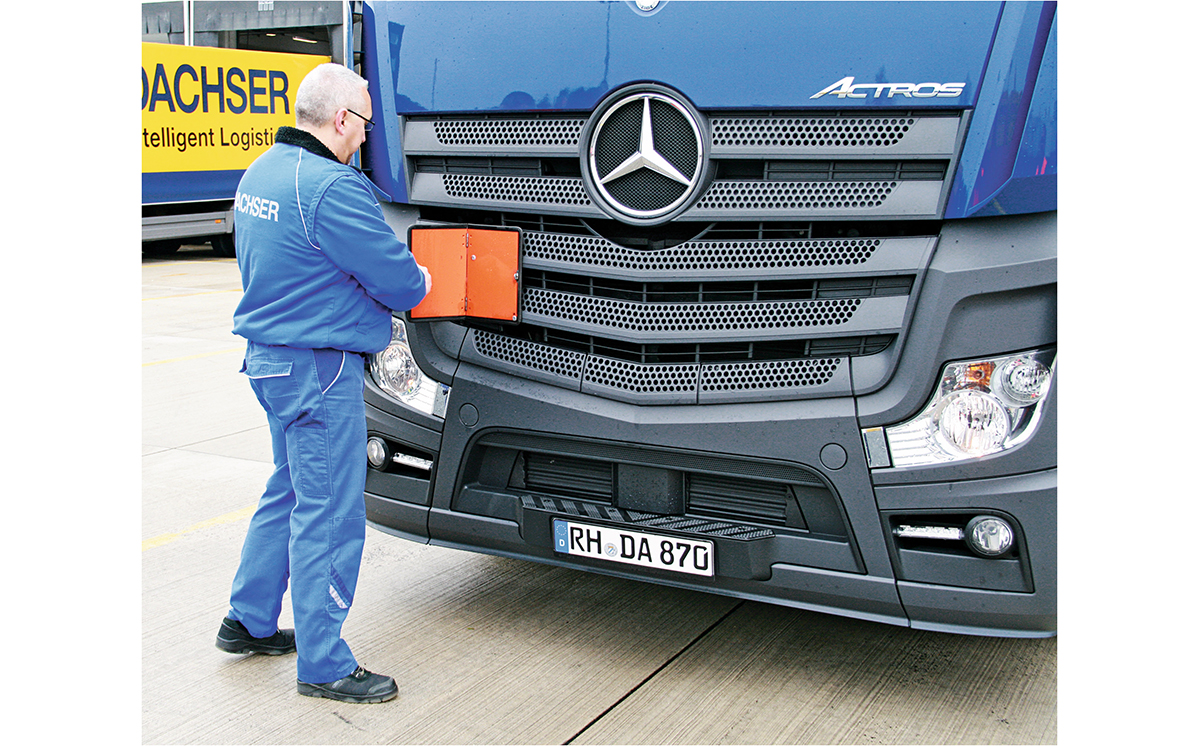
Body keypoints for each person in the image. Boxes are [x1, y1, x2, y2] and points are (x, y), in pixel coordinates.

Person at [214, 62, 431, 705]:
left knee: (287, 489)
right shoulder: (333, 189)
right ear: (341, 119)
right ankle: (324, 662)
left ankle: (248, 621)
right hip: (320, 370)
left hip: (270, 363)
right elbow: (400, 281)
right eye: (364, 123)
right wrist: (417, 278)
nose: (365, 137)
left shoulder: (263, 172)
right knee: (331, 512)